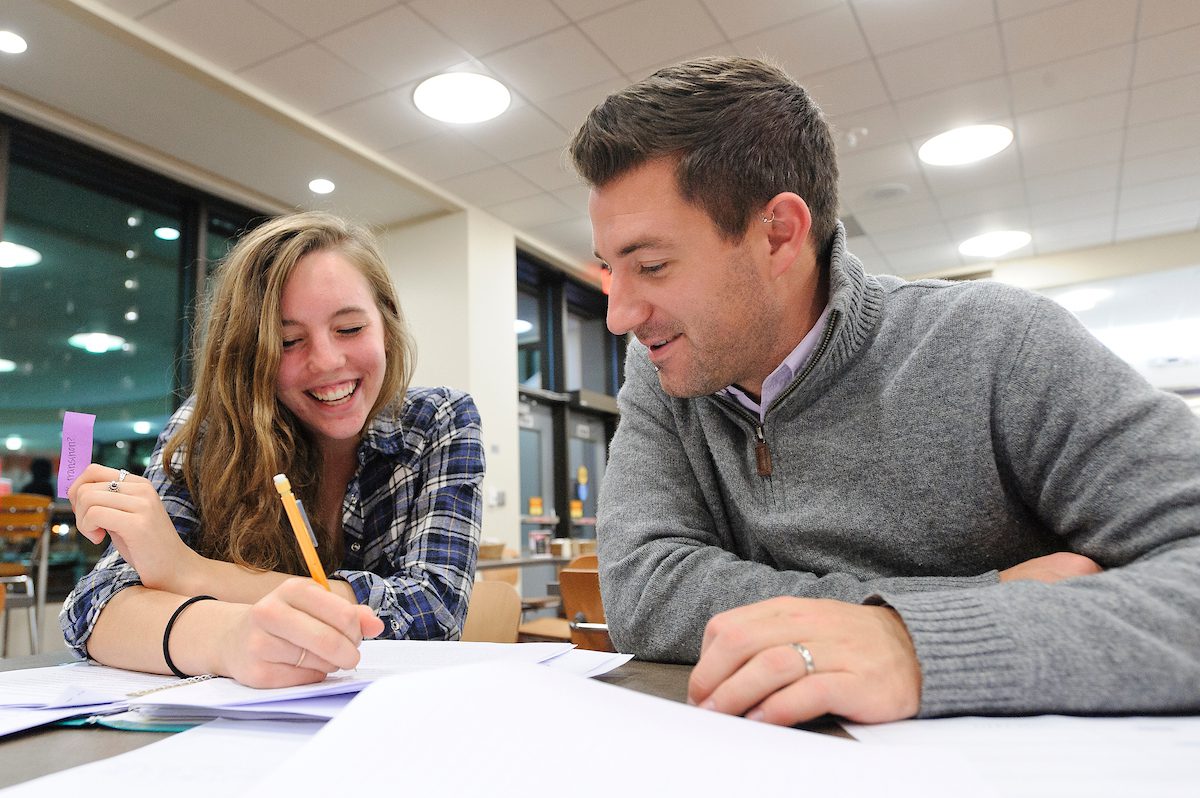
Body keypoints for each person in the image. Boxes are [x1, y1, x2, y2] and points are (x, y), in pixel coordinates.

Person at [570, 57, 1200, 725]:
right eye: (612, 269)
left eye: (653, 266)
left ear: (778, 235)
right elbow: (644, 593)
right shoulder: (665, 376)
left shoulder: (1002, 343)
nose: (619, 316)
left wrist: (919, 648)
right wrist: (960, 604)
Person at [61, 211, 484, 688]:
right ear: (250, 354)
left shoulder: (439, 422)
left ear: (385, 325)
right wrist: (228, 639)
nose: (326, 361)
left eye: (349, 329)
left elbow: (434, 611)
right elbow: (95, 607)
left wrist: (188, 572)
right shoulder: (210, 426)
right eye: (288, 341)